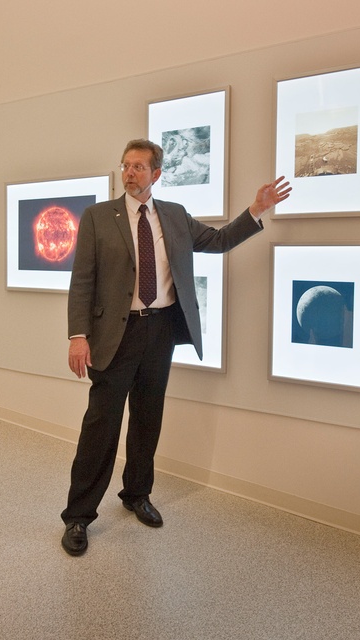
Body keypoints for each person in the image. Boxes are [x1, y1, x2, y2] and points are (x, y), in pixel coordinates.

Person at [60, 139, 290, 556]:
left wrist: (255, 210)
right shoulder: (97, 217)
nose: (129, 173)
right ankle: (78, 516)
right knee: (101, 425)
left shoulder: (175, 216)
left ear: (156, 174)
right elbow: (82, 280)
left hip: (161, 330)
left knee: (148, 419)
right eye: (125, 166)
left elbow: (218, 241)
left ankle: (136, 494)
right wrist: (78, 335)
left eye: (138, 167)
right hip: (115, 334)